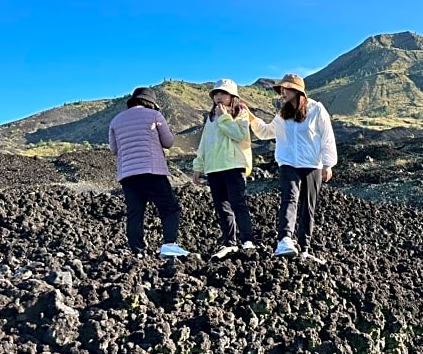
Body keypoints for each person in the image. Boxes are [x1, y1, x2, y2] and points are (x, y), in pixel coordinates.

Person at [250, 74, 337, 259]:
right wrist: (251, 119)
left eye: (286, 89)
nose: (282, 93)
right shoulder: (283, 115)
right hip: (288, 163)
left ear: (297, 91)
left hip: (312, 164)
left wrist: (328, 164)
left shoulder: (317, 109)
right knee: (289, 198)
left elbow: (327, 137)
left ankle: (305, 248)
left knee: (308, 206)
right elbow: (266, 132)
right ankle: (285, 240)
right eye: (281, 89)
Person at [108, 87, 188, 258]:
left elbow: (114, 149)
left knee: (135, 212)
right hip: (152, 171)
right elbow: (168, 142)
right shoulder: (154, 116)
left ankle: (137, 251)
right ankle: (169, 245)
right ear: (151, 102)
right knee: (169, 208)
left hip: (128, 174)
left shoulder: (115, 120)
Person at [192, 78, 256, 259]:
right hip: (214, 168)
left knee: (239, 203)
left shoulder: (240, 113)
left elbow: (239, 134)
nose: (219, 97)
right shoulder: (210, 117)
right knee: (222, 207)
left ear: (232, 96)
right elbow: (204, 143)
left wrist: (224, 117)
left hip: (234, 166)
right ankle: (229, 242)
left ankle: (247, 240)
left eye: (223, 93)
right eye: (216, 94)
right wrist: (198, 166)